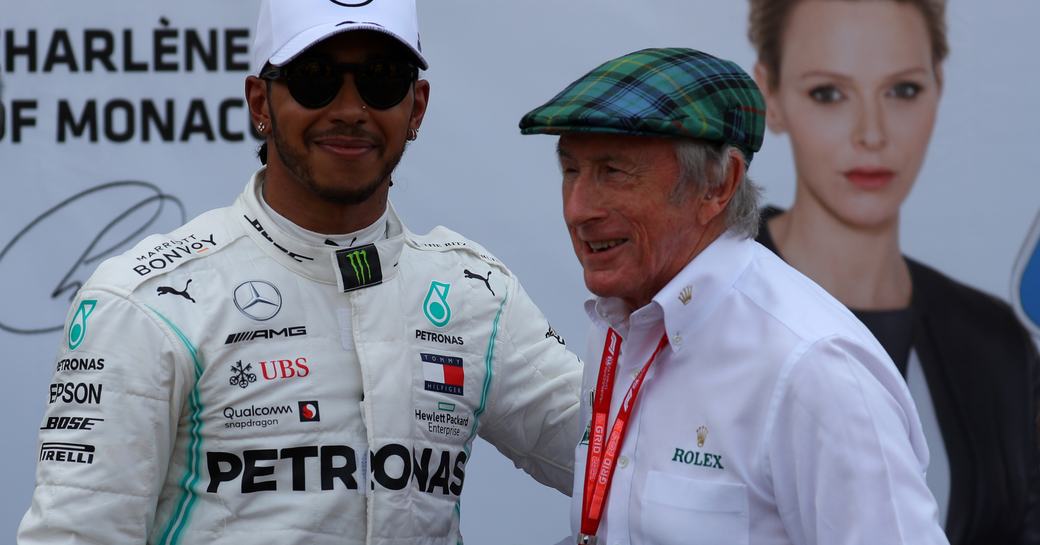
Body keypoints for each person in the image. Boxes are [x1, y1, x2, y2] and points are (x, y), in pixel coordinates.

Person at [17, 1, 582, 544]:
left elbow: (619, 459)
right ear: (260, 102)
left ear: (417, 106)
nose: (349, 109)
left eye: (382, 79)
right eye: (315, 77)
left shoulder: (475, 294)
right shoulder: (149, 301)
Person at [520, 47, 949, 545]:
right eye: (570, 170)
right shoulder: (625, 322)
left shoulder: (814, 367)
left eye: (613, 172)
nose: (578, 209)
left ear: (718, 185)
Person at [746, 1, 1040, 542]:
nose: (872, 133)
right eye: (828, 93)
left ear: (937, 87)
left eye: (901, 90)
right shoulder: (707, 306)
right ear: (771, 94)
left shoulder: (996, 342)